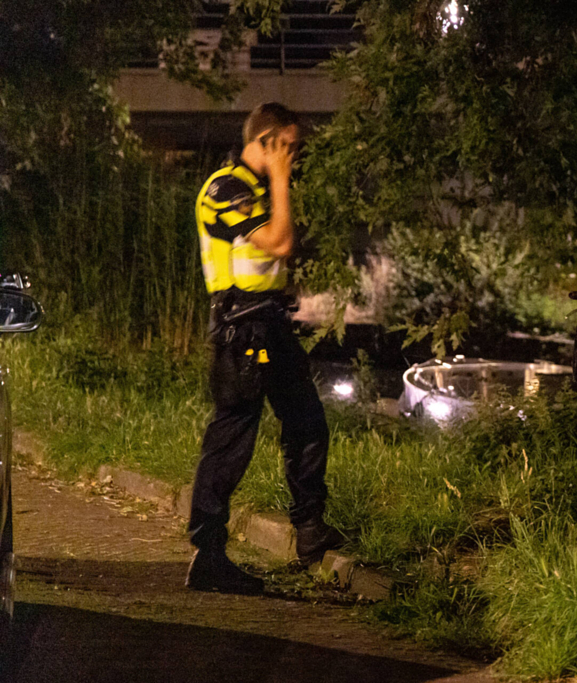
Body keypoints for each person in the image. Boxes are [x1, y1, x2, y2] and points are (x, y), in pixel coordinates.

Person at [186, 102, 343, 594]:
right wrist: (279, 177)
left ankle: (310, 532)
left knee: (309, 425)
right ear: (267, 141)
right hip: (239, 335)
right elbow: (278, 242)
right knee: (231, 444)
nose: (294, 158)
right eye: (288, 148)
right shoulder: (224, 189)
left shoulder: (258, 190)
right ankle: (207, 555)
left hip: (270, 327)